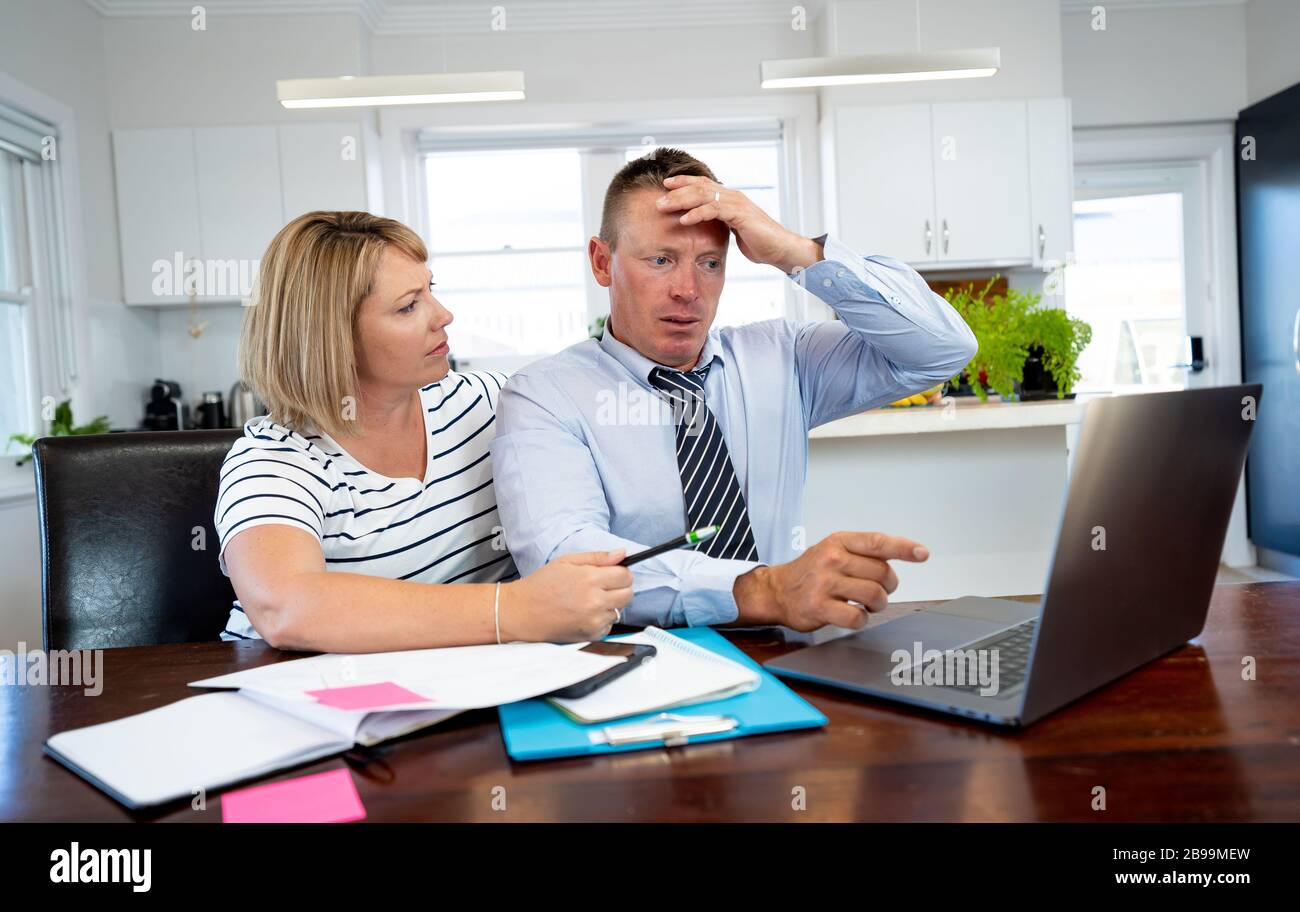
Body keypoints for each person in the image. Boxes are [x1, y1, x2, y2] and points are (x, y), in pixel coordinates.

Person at [490, 148, 978, 633]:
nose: (688, 289)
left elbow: (942, 349)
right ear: (602, 262)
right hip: (634, 665)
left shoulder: (783, 357)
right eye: (661, 260)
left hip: (782, 654)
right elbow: (568, 560)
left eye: (709, 263)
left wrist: (796, 250)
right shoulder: (544, 396)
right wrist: (761, 590)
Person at [215, 211, 632, 652]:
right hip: (294, 693)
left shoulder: (492, 405)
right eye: (408, 306)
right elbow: (287, 607)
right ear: (332, 338)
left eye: (430, 290)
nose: (444, 315)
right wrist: (513, 609)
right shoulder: (276, 460)